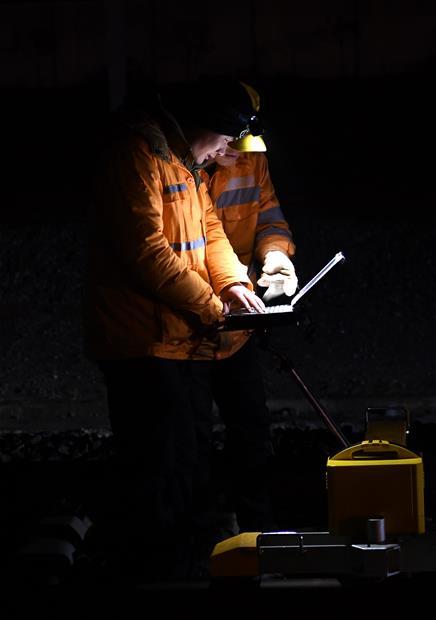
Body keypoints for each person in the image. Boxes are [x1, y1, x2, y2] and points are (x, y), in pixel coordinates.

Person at [84, 77, 267, 582]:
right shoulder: (136, 156)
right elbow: (147, 253)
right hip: (141, 346)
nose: (228, 150)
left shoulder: (185, 165)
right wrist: (212, 307)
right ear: (203, 126)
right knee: (160, 470)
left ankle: (186, 565)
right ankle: (162, 574)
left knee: (186, 466)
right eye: (226, 138)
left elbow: (210, 232)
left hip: (178, 342)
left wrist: (232, 283)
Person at [200, 84, 298, 537]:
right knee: (192, 440)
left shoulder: (251, 159)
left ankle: (259, 533)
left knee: (252, 434)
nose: (234, 153)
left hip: (236, 324)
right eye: (229, 143)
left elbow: (270, 216)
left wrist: (277, 255)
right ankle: (205, 532)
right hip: (191, 327)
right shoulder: (188, 167)